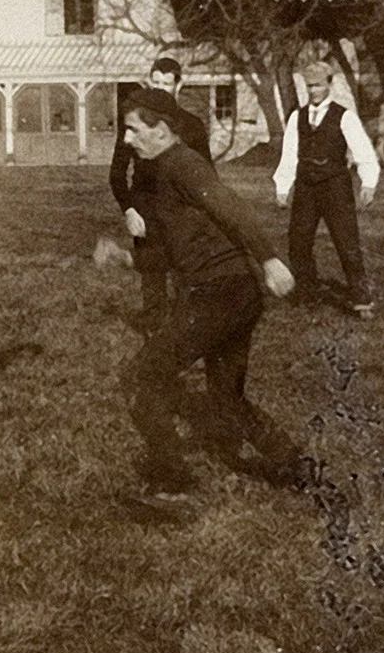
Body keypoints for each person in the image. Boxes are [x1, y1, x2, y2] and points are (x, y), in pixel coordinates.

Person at [118, 87, 306, 505]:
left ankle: (172, 482)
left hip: (218, 293)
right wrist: (126, 260)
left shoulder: (184, 164)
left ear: (162, 130)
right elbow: (173, 253)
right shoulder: (159, 173)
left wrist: (271, 259)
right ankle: (297, 467)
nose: (127, 140)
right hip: (238, 293)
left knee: (145, 377)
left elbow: (231, 207)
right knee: (225, 399)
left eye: (133, 130)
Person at [108, 57, 210, 328]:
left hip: (183, 212)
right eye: (156, 81)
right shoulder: (134, 124)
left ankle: (187, 331)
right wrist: (129, 210)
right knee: (151, 277)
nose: (162, 88)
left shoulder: (192, 125)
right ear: (148, 81)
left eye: (168, 83)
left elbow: (208, 177)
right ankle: (153, 335)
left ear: (179, 85)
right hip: (146, 209)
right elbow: (117, 174)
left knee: (185, 276)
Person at [273, 57, 381, 311]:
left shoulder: (344, 117)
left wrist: (368, 183)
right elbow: (289, 154)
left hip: (335, 186)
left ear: (329, 85)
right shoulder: (297, 118)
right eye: (309, 86)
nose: (313, 91)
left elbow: (363, 151)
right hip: (306, 187)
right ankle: (308, 292)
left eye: (318, 86)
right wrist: (282, 186)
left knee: (347, 242)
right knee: (298, 241)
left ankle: (361, 298)